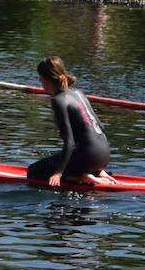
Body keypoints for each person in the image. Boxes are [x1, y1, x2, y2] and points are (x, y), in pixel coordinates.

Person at [26, 56, 114, 187]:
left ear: (48, 79)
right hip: (104, 155)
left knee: (33, 171)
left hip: (88, 157)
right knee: (61, 158)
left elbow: (70, 142)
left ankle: (83, 177)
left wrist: (59, 173)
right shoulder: (78, 93)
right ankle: (95, 172)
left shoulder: (58, 100)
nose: (39, 80)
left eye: (40, 77)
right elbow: (101, 127)